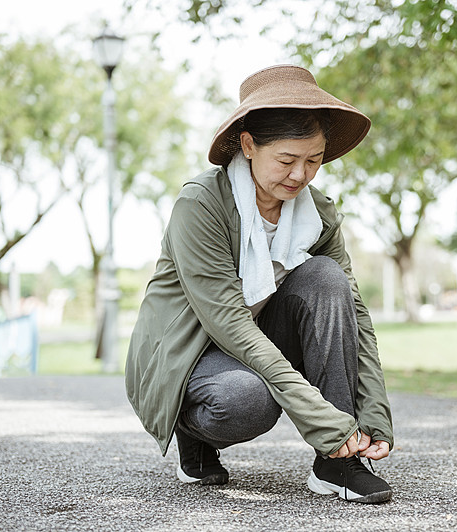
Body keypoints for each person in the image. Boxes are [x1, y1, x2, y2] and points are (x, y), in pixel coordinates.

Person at [125, 64, 394, 504]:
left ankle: (337, 463)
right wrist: (315, 416)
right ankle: (192, 435)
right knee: (248, 401)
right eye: (287, 160)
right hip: (189, 351)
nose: (300, 175)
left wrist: (372, 411)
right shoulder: (202, 204)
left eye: (313, 160)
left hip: (258, 338)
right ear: (248, 146)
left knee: (327, 279)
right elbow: (228, 320)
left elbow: (354, 313)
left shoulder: (318, 214)